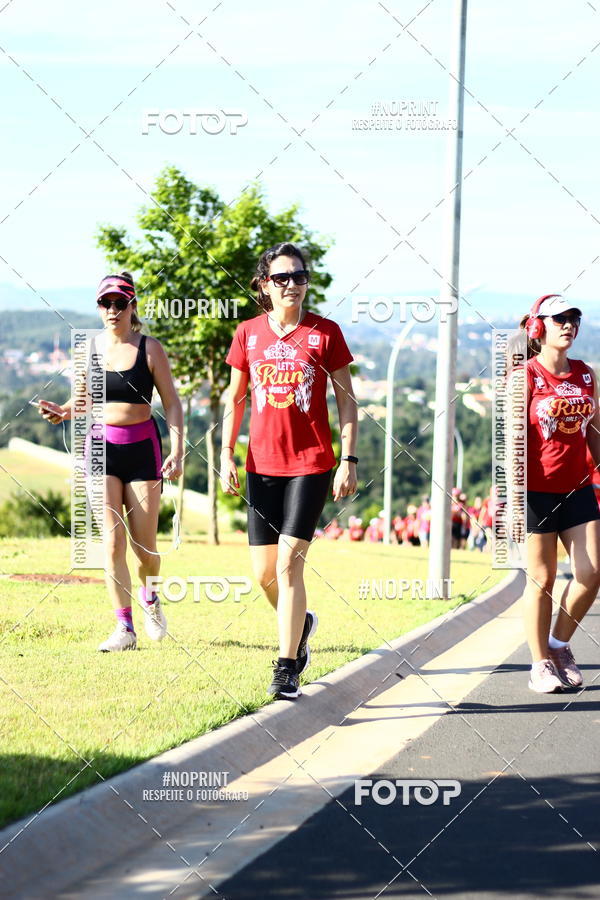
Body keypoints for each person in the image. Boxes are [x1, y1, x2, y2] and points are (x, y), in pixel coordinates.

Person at [220, 242, 358, 700]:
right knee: (264, 575)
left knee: (288, 564)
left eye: (299, 276)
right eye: (282, 277)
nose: (293, 284)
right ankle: (302, 626)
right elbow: (235, 398)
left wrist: (348, 460)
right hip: (261, 465)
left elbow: (346, 401)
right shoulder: (248, 333)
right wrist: (225, 452)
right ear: (264, 284)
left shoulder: (326, 333)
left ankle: (286, 668)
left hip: (311, 463)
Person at [38, 272, 184, 651]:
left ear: (133, 306)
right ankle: (125, 629)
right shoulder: (90, 350)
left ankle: (150, 598)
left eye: (121, 302)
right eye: (106, 303)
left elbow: (172, 403)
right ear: (99, 308)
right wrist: (62, 411)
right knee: (113, 544)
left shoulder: (151, 348)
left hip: (143, 451)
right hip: (101, 449)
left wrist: (177, 449)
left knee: (145, 549)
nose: (113, 310)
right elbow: (82, 401)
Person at [519, 293, 600, 692]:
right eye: (559, 319)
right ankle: (539, 665)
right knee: (543, 578)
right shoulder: (526, 376)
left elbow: (594, 432)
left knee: (591, 573)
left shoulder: (586, 373)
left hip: (579, 487)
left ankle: (558, 644)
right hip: (536, 490)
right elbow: (510, 439)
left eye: (574, 319)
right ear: (539, 327)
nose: (568, 325)